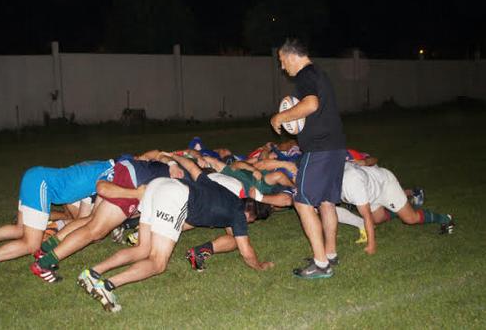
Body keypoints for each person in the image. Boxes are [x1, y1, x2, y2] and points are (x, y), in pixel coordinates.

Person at [76, 154, 274, 312]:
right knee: (158, 262)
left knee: (142, 248)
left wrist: (173, 157)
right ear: (251, 215)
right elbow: (246, 252)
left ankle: (92, 273)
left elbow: (193, 167)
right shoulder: (239, 215)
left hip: (157, 185)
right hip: (174, 197)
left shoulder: (223, 190)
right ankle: (107, 286)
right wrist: (260, 266)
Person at [0, 159, 115, 285]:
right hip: (42, 184)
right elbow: (91, 219)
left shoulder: (102, 168)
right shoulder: (111, 177)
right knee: (31, 244)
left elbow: (83, 217)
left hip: (34, 177)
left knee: (20, 229)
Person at [30, 155, 183, 283]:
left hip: (124, 170)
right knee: (95, 230)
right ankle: (44, 263)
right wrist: (173, 164)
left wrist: (172, 162)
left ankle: (44, 249)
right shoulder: (188, 172)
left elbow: (162, 155)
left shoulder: (177, 163)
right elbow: (162, 155)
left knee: (91, 221)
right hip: (135, 179)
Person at [270, 38, 346, 279]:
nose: (283, 67)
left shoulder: (304, 74)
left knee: (302, 202)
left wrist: (281, 117)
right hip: (335, 146)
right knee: (326, 202)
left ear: (293, 57)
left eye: (283, 61)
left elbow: (311, 104)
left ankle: (321, 264)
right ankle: (330, 254)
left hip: (320, 150)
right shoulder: (318, 74)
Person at [341, 161, 454, 254]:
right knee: (377, 219)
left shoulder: (351, 182)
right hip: (370, 192)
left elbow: (366, 216)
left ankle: (446, 219)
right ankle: (399, 210)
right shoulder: (333, 174)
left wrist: (371, 245)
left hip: (385, 185)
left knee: (410, 219)